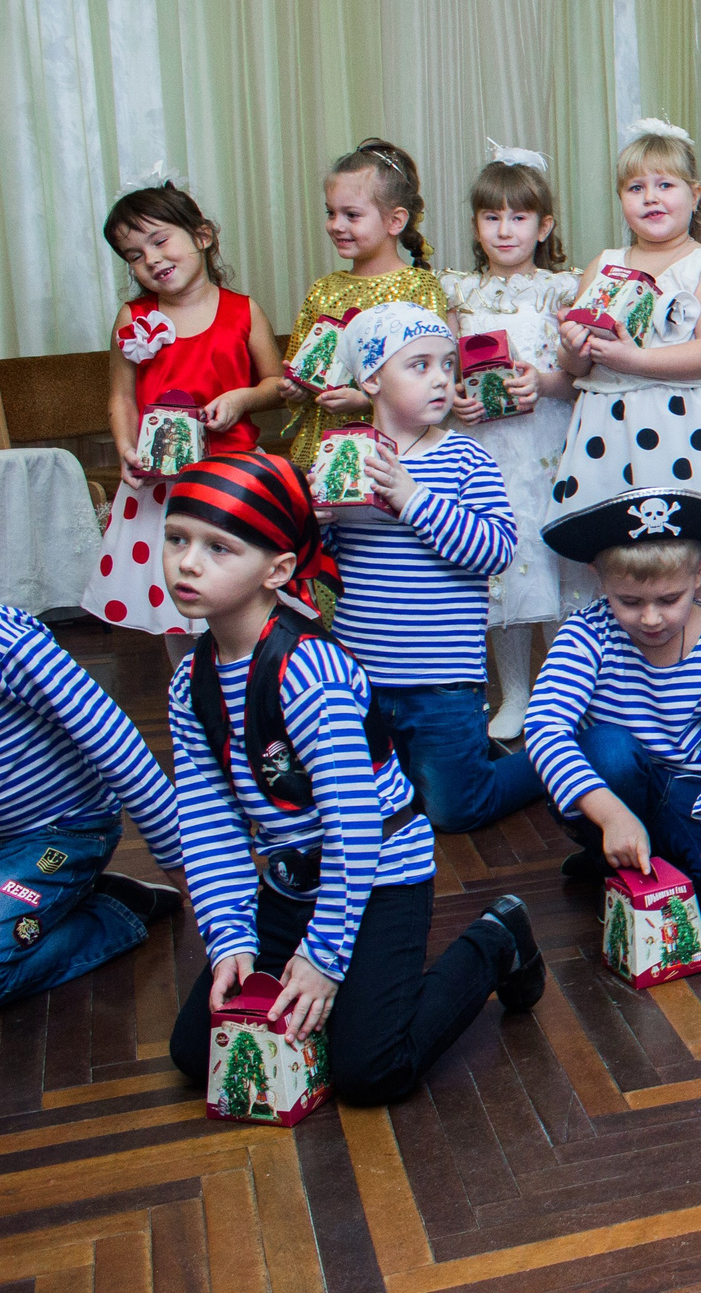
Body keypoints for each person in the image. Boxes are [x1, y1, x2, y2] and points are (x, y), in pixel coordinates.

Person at [161, 453, 544, 1105]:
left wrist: (323, 960)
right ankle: (339, 983)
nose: (188, 561)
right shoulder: (187, 684)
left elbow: (355, 829)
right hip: (291, 880)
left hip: (380, 871)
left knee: (371, 1070)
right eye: (177, 538)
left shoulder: (311, 674)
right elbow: (210, 824)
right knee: (197, 1050)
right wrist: (230, 936)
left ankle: (496, 937)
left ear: (278, 569)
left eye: (219, 547)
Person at [320, 304, 537, 835]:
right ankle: (459, 756)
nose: (441, 378)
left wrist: (412, 498)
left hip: (442, 679)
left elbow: (495, 550)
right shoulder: (340, 459)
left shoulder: (465, 458)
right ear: (370, 378)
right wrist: (317, 521)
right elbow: (318, 565)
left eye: (447, 364)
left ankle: (551, 765)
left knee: (454, 812)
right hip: (360, 675)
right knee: (373, 806)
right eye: (419, 365)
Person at [528, 472, 701, 918]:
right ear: (599, 579)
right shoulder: (586, 633)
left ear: (699, 574)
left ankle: (640, 856)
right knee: (611, 749)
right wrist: (610, 815)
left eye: (669, 598)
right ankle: (613, 846)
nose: (652, 618)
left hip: (688, 787)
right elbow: (545, 728)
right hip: (611, 785)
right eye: (630, 601)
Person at [87, 178, 290, 646]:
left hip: (231, 475)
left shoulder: (243, 311)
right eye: (134, 255)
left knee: (238, 586)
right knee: (175, 597)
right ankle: (189, 695)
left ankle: (245, 689)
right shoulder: (132, 317)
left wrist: (241, 399)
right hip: (163, 485)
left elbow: (276, 385)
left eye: (159, 240)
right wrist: (124, 447)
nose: (151, 259)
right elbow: (121, 397)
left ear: (202, 235)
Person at [550, 120, 701, 558]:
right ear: (620, 200)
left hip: (676, 423)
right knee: (610, 548)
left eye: (665, 184)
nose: (651, 197)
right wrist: (571, 343)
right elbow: (578, 367)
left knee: (682, 548)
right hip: (605, 425)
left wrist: (630, 360)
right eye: (635, 188)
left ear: (694, 195)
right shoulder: (605, 263)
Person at [442, 145, 581, 739]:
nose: (504, 229)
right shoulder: (458, 293)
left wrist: (544, 382)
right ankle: (517, 694)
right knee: (502, 569)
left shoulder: (562, 290)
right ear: (475, 225)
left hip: (549, 443)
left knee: (556, 563)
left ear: (543, 225)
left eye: (519, 217)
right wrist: (454, 400)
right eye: (491, 217)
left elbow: (583, 376)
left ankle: (568, 695)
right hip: (487, 451)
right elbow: (441, 369)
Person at [0, 605, 186, 1006]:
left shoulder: (8, 643)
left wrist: (181, 860)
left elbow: (114, 741)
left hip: (62, 832)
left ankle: (113, 911)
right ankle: (58, 900)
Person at [280, 140, 449, 474]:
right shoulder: (324, 289)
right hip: (318, 451)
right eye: (331, 212)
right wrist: (295, 388)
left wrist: (366, 399)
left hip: (389, 458)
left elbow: (429, 377)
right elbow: (300, 363)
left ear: (395, 221)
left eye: (351, 215)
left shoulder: (417, 287)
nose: (336, 225)